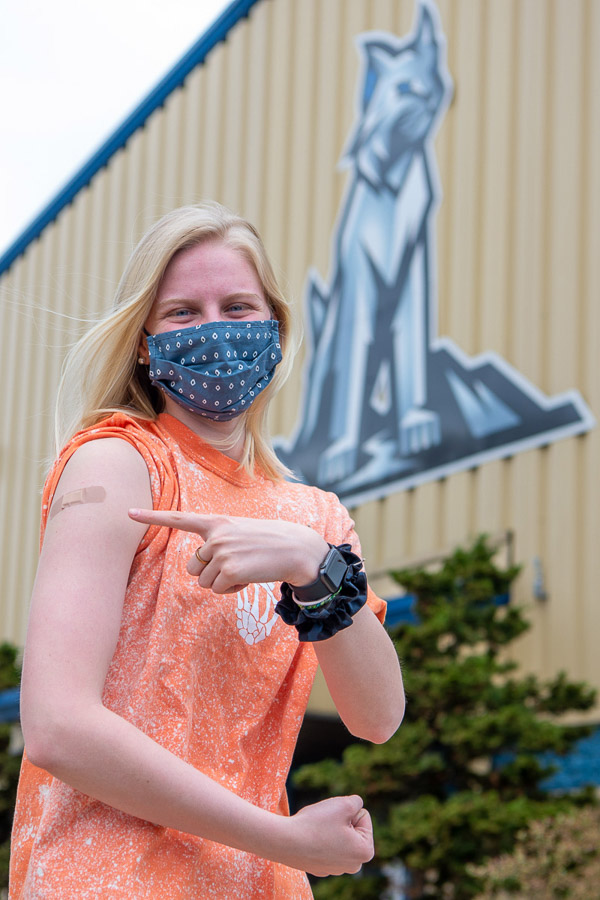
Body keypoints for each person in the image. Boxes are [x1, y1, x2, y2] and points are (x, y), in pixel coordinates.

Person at [10, 202, 405, 899]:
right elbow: (56, 727)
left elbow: (377, 716)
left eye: (238, 305)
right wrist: (284, 839)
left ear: (274, 328)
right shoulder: (118, 462)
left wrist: (315, 566)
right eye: (183, 313)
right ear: (142, 340)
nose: (215, 328)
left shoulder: (314, 517)